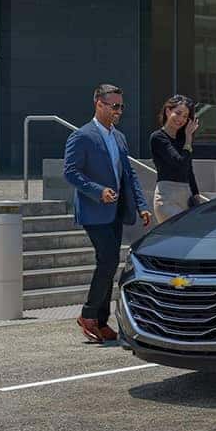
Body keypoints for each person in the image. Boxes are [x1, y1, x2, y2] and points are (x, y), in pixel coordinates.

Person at [63, 84, 152, 344]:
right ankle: (89, 316)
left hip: (116, 210)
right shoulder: (82, 136)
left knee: (110, 262)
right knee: (108, 260)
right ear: (98, 104)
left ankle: (99, 321)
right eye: (114, 106)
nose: (119, 111)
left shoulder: (119, 137)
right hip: (94, 211)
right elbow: (70, 172)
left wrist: (142, 204)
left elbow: (129, 174)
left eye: (121, 106)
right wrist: (97, 190)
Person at [151, 94, 201, 223]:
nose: (181, 119)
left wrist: (196, 195)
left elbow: (188, 170)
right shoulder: (158, 137)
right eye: (178, 113)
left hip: (187, 197)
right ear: (168, 111)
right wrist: (189, 138)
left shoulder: (183, 139)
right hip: (167, 197)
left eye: (185, 116)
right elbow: (179, 163)